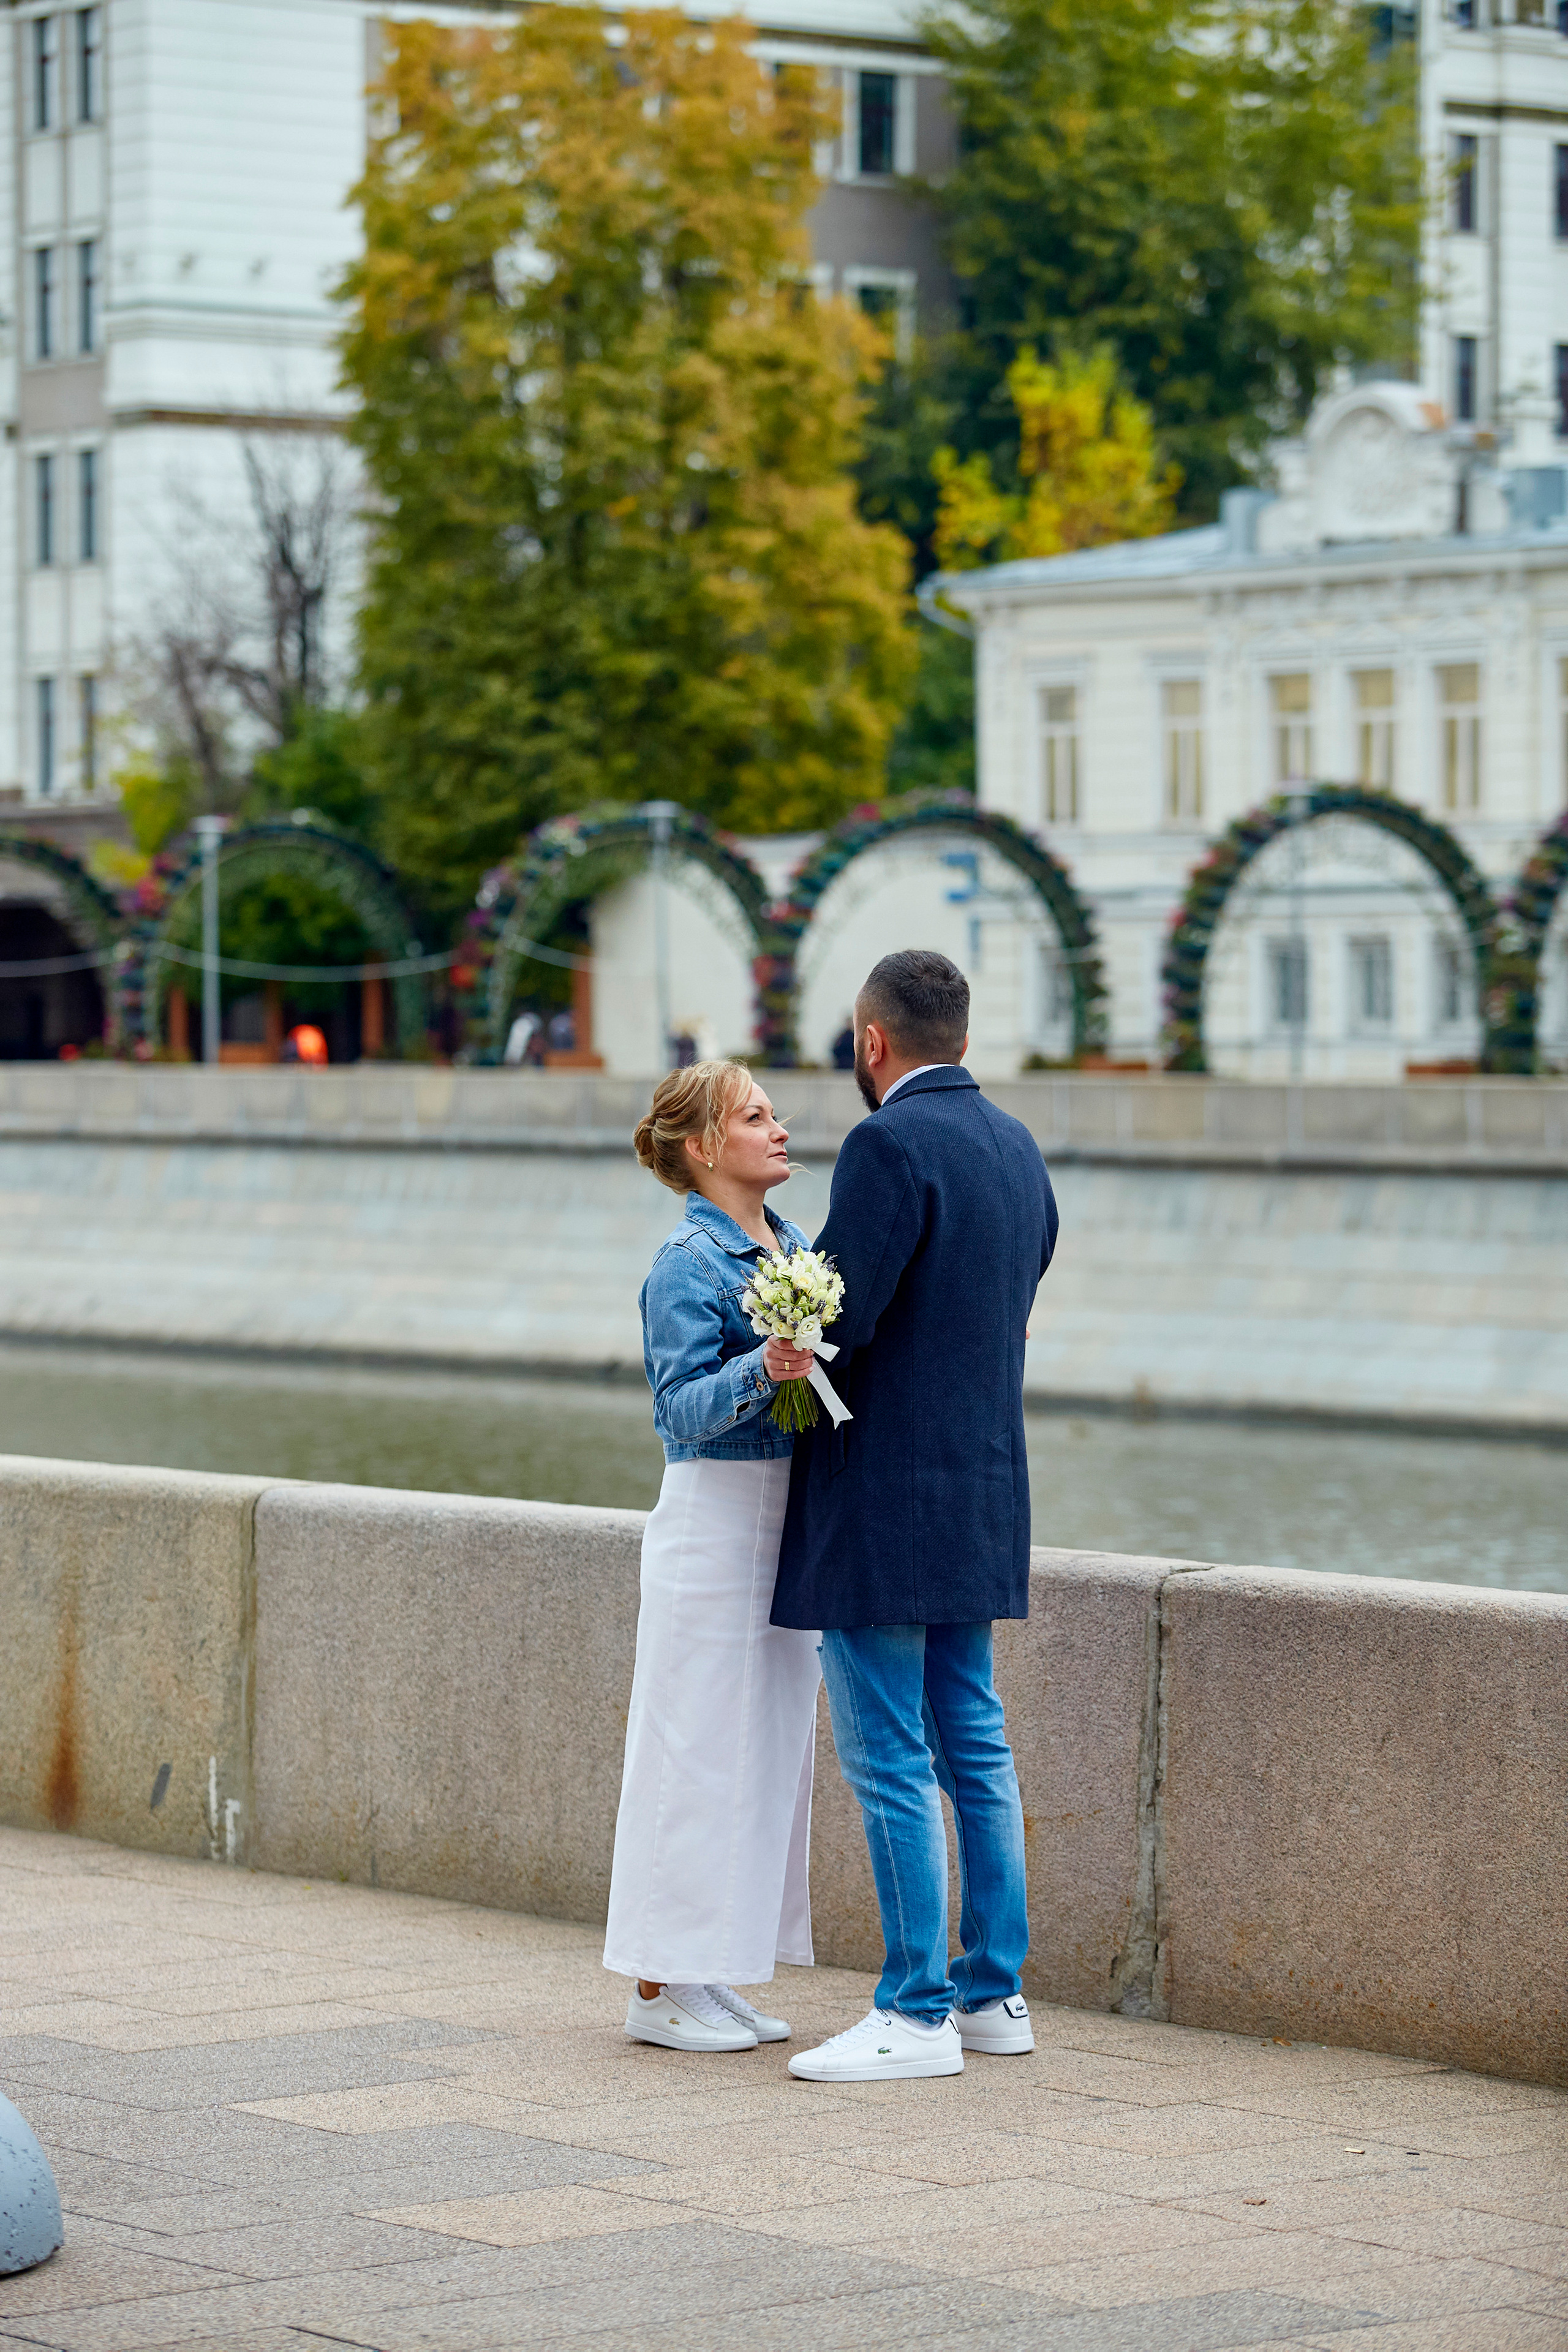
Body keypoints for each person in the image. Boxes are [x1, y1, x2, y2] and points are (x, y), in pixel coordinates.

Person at [773, 949, 1058, 2083]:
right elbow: (1019, 1286)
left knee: (890, 1754)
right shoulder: (1016, 1145)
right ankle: (995, 1996)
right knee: (974, 1745)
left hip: (887, 1500)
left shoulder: (888, 1145)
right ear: (965, 1037)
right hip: (986, 1489)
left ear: (873, 1042)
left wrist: (789, 1359)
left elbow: (845, 1312)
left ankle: (915, 2009)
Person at [605, 1060, 823, 2054]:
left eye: (775, 1114)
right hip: (715, 1513)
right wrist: (763, 1366)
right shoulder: (686, 1264)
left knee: (762, 1749)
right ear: (702, 1148)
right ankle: (658, 1985)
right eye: (755, 1117)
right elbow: (675, 1411)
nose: (779, 1130)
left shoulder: (794, 1243)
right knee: (691, 1747)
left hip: (787, 1512)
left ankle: (716, 1966)